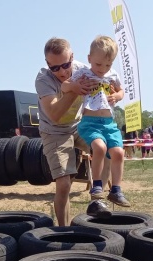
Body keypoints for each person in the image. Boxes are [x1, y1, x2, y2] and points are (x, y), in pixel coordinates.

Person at [36, 37, 107, 225]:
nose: (62, 71)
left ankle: (97, 201)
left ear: (73, 57)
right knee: (64, 184)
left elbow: (106, 86)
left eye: (66, 65)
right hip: (54, 131)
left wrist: (115, 94)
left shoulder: (83, 70)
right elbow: (55, 115)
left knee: (108, 148)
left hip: (78, 126)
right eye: (55, 68)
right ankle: (63, 230)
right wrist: (74, 89)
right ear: (47, 64)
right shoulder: (43, 79)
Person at [61, 35, 129, 209]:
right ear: (89, 59)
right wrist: (74, 87)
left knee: (119, 153)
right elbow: (64, 86)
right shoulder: (84, 73)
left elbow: (121, 91)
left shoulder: (112, 75)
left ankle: (116, 189)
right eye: (98, 64)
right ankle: (96, 185)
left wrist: (117, 96)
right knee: (99, 147)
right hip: (90, 122)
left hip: (109, 123)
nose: (103, 69)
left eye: (108, 65)